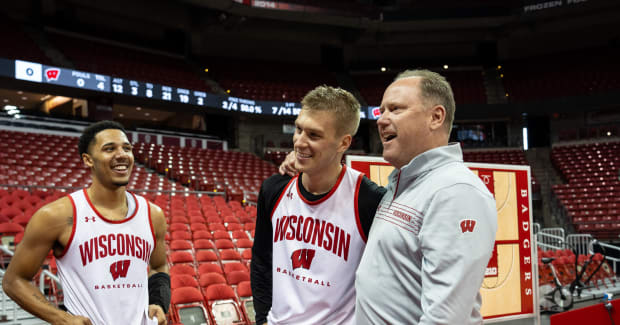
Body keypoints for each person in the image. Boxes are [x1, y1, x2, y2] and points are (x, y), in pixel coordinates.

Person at [355, 70, 498, 324]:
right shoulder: (405, 183)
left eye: (395, 109)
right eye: (381, 111)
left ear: (435, 117)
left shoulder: (455, 191)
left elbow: (445, 318)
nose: (381, 120)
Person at [3, 121, 170, 325]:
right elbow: (14, 280)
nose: (122, 154)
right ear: (88, 160)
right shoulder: (56, 216)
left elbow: (159, 265)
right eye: (109, 149)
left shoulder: (153, 214)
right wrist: (60, 317)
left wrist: (159, 302)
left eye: (127, 148)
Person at [251, 85, 385, 325]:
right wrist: (262, 319)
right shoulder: (274, 188)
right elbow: (261, 263)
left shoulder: (369, 200)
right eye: (298, 129)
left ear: (343, 143)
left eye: (314, 135)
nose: (299, 142)